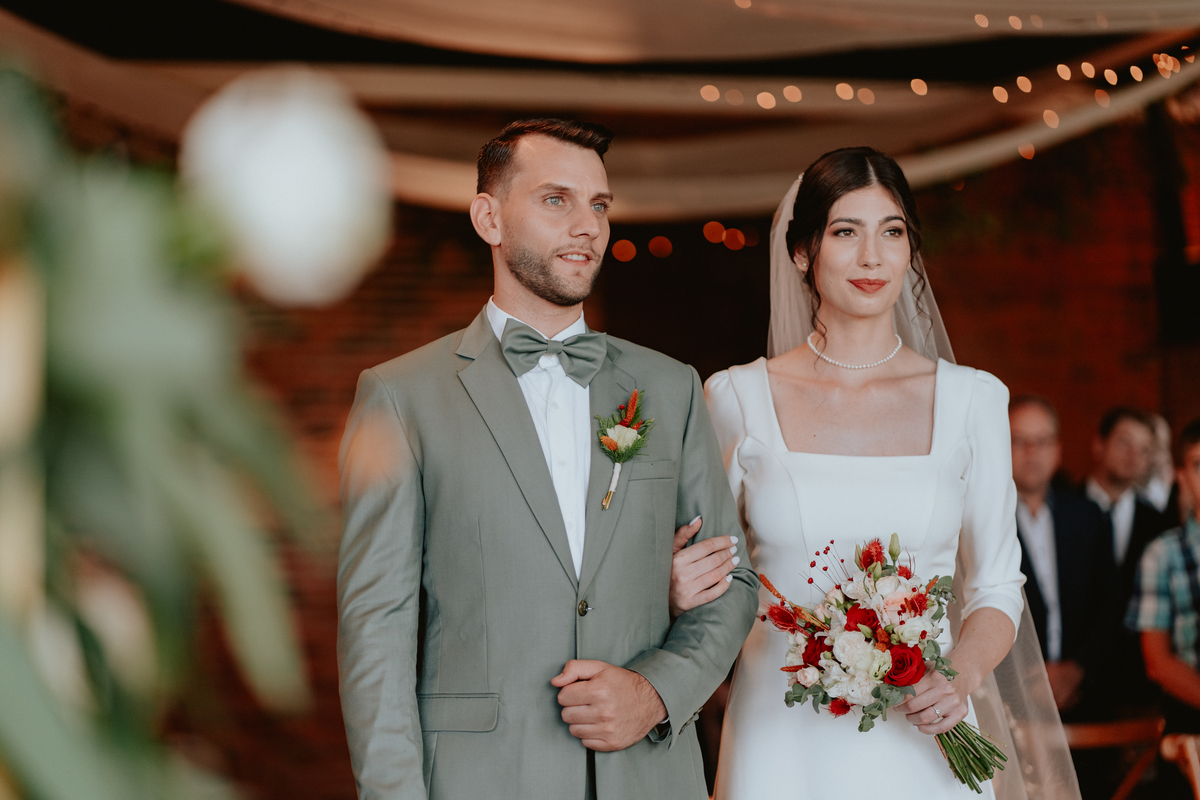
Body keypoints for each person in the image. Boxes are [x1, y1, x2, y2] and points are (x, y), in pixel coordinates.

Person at [336, 118, 758, 800]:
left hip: (645, 778)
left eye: (599, 205)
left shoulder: (670, 386)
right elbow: (374, 631)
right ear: (489, 217)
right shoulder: (400, 397)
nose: (587, 226)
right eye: (556, 200)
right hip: (482, 779)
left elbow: (732, 585)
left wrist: (656, 692)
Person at [671, 147, 1078, 800]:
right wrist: (680, 584)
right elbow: (708, 575)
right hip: (780, 738)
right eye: (844, 232)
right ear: (802, 252)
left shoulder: (974, 401)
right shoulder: (735, 398)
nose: (871, 257)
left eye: (892, 233)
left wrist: (961, 678)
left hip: (925, 726)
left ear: (911, 251)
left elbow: (998, 586)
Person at [1009, 395, 1115, 716]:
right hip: (1011, 699)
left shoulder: (1087, 516)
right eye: (1019, 441)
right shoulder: (981, 522)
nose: (1032, 452)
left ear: (1058, 448)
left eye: (1042, 441)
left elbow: (1110, 602)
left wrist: (1077, 669)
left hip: (1086, 694)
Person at [1128, 418, 1200, 797]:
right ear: (1182, 475)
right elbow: (1157, 661)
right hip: (1190, 719)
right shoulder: (1163, 553)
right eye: (1199, 465)